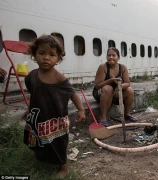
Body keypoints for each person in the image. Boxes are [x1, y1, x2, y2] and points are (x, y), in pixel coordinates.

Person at [22, 35, 86, 179]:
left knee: (58, 143)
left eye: (52, 55)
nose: (46, 58)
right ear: (34, 54)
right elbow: (34, 94)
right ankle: (41, 158)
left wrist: (81, 110)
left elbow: (72, 93)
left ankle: (63, 166)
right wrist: (29, 109)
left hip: (56, 120)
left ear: (58, 58)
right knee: (37, 138)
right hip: (39, 117)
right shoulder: (31, 76)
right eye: (42, 53)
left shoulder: (59, 78)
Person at [92, 47, 136, 127]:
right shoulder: (103, 67)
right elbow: (97, 85)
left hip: (115, 94)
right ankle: (103, 117)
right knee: (108, 88)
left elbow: (127, 83)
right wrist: (111, 80)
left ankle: (127, 114)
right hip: (101, 93)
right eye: (109, 55)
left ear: (118, 57)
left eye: (113, 55)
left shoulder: (122, 67)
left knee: (129, 90)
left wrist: (120, 87)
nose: (111, 57)